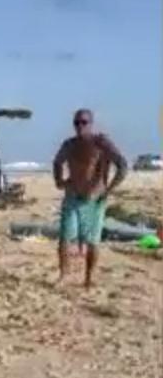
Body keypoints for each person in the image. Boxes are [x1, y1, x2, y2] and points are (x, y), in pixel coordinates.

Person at [52, 109, 128, 288]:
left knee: (92, 242)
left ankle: (88, 278)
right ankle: (63, 275)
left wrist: (109, 189)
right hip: (72, 196)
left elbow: (122, 166)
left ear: (91, 124)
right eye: (76, 123)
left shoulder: (101, 143)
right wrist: (59, 181)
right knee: (64, 238)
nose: (80, 126)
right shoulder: (69, 144)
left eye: (84, 122)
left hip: (94, 199)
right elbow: (57, 162)